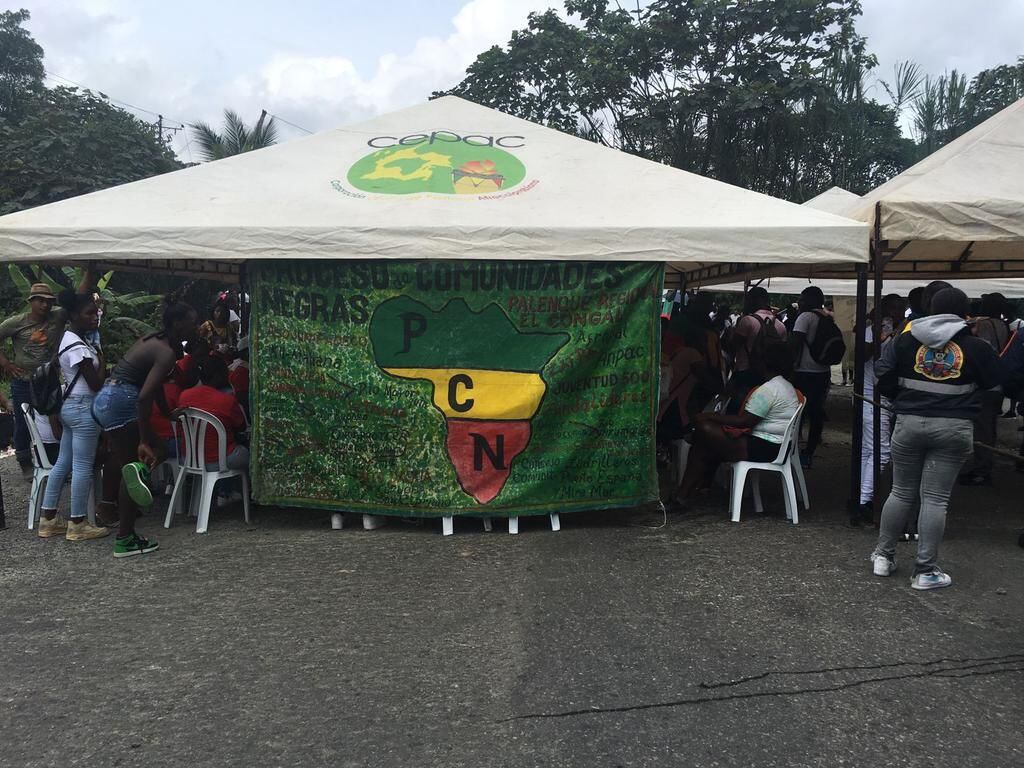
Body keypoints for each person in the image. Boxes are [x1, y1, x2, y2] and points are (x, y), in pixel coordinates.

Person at [870, 288, 1004, 590]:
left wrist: (903, 398)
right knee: (935, 499)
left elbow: (882, 374)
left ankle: (883, 556)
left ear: (930, 308)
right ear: (964, 313)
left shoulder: (904, 340)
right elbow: (996, 384)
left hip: (908, 422)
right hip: (953, 427)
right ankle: (925, 571)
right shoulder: (976, 346)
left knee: (901, 492)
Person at [91, 298, 200, 557]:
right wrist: (143, 438)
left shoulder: (154, 340)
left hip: (107, 398)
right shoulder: (166, 352)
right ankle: (125, 538)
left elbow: (156, 385)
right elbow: (144, 395)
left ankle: (119, 508)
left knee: (143, 458)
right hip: (122, 401)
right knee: (135, 467)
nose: (195, 328)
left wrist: (166, 413)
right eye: (192, 323)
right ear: (177, 324)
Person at [672, 342, 801, 507]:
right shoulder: (785, 386)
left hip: (764, 447)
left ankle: (685, 494)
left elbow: (745, 421)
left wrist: (710, 417)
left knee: (704, 431)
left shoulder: (769, 390)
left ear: (764, 363)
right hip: (775, 446)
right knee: (704, 444)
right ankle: (685, 494)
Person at [0, 272, 94, 477]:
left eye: (49, 301)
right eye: (40, 301)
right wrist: (6, 363)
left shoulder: (58, 316)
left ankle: (56, 459)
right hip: (24, 380)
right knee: (24, 422)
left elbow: (79, 295)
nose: (45, 305)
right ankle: (25, 461)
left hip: (50, 378)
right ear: (31, 301)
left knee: (54, 418)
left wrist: (90, 269)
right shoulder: (15, 322)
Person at [36, 290, 109, 541]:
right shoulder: (78, 346)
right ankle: (78, 522)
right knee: (82, 466)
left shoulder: (69, 339)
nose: (95, 317)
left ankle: (48, 519)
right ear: (74, 315)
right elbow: (96, 384)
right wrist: (102, 359)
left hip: (70, 407)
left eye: (96, 312)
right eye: (89, 313)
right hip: (83, 408)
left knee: (63, 462)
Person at [853, 294, 907, 527]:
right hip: (871, 396)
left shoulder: (903, 329)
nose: (896, 313)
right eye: (893, 308)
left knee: (870, 450)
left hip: (884, 396)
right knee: (881, 451)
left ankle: (860, 497)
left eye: (900, 309)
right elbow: (862, 354)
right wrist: (879, 335)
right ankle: (864, 501)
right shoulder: (873, 329)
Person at [177, 355, 249, 506]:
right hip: (220, 461)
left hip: (190, 459)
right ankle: (240, 494)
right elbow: (241, 427)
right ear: (221, 374)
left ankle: (225, 492)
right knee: (246, 452)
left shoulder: (184, 396)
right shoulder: (227, 400)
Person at [959, 293, 1010, 486]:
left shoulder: (984, 325)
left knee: (982, 428)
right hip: (997, 381)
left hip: (984, 382)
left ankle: (981, 470)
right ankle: (983, 466)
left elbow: (981, 348)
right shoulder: (1003, 324)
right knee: (988, 427)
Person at [790, 286, 831, 468]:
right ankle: (809, 452)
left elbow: (795, 343)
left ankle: (792, 450)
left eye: (802, 298)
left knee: (797, 412)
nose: (800, 301)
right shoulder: (826, 317)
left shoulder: (805, 317)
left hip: (804, 371)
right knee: (816, 412)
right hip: (822, 371)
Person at [726, 287, 787, 407]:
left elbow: (733, 346)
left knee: (738, 407)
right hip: (768, 374)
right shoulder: (781, 326)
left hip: (745, 371)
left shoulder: (747, 321)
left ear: (755, 300)